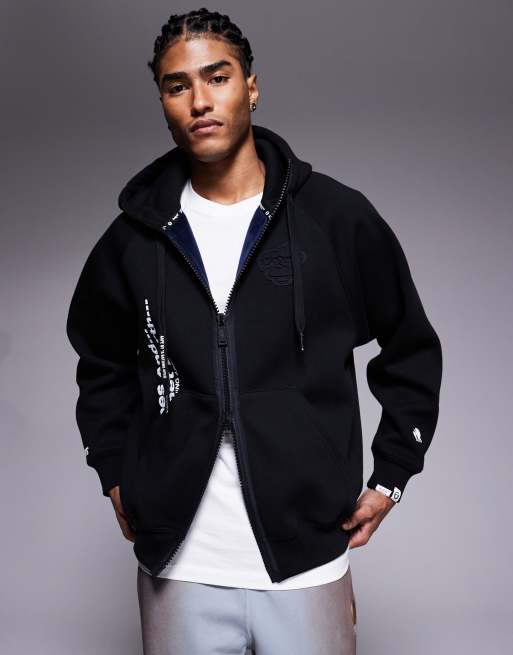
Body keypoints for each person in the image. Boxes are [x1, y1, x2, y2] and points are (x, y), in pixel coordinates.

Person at [66, 7, 443, 654]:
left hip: (306, 561)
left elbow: (410, 347)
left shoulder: (333, 219)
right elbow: (100, 364)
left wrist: (392, 475)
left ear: (251, 86)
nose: (200, 100)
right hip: (178, 565)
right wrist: (112, 468)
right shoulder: (134, 238)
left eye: (217, 77)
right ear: (163, 102)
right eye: (178, 85)